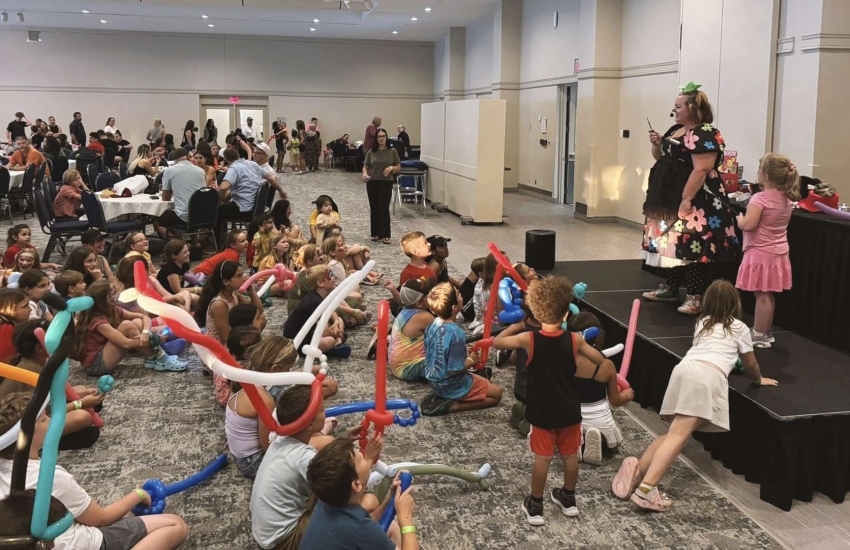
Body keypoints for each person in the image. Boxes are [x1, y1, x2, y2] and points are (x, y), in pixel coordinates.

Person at [613, 280, 778, 512]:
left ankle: (638, 471)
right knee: (678, 437)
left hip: (683, 371)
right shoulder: (739, 327)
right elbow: (750, 364)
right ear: (735, 303)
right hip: (706, 377)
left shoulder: (702, 322)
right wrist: (759, 379)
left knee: (673, 433)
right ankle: (646, 491)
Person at [0, 393, 189, 550]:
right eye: (44, 420)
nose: (51, 420)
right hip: (82, 544)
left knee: (127, 516)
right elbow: (100, 519)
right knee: (175, 525)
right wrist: (138, 494)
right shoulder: (51, 476)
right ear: (28, 435)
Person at [492, 276, 606, 525]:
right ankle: (569, 499)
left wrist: (519, 325)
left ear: (536, 312)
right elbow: (599, 360)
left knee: (542, 459)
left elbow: (497, 342)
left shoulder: (529, 339)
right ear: (567, 313)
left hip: (541, 412)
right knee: (570, 457)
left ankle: (535, 505)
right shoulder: (575, 340)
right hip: (569, 411)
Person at [640, 83, 739, 315]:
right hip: (668, 196)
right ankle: (670, 287)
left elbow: (702, 168)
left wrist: (686, 199)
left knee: (694, 245)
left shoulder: (705, 132)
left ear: (693, 108)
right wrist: (656, 144)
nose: (674, 110)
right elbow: (661, 157)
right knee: (672, 242)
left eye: (678, 106)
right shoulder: (676, 129)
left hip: (696, 198)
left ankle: (695, 295)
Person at [250, 385, 339, 550]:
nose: (325, 413)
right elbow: (340, 487)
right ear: (310, 424)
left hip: (264, 533)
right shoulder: (304, 457)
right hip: (282, 541)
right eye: (322, 410)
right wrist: (367, 458)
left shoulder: (278, 440)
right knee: (345, 512)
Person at [301, 435, 419, 550]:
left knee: (391, 527)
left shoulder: (327, 498)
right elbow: (361, 528)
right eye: (361, 458)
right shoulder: (358, 527)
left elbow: (363, 525)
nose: (363, 455)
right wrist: (405, 516)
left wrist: (391, 498)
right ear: (356, 485)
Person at [0, 319, 103, 446]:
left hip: (35, 414)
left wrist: (78, 395)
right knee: (82, 417)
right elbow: (43, 412)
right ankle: (41, 444)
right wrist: (79, 404)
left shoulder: (35, 362)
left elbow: (51, 394)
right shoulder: (31, 369)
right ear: (39, 348)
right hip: (17, 430)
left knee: (81, 390)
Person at [735, 153, 799, 348]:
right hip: (778, 252)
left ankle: (759, 334)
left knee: (761, 294)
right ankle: (764, 330)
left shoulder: (759, 199)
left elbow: (749, 225)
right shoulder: (786, 199)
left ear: (766, 176)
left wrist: (740, 219)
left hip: (760, 252)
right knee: (767, 294)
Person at [422, 282, 502, 416]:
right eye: (458, 294)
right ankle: (453, 406)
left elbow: (437, 350)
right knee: (497, 395)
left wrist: (463, 351)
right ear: (454, 308)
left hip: (435, 382)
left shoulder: (432, 324)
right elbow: (454, 370)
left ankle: (449, 397)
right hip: (451, 384)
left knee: (487, 382)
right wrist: (471, 360)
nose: (461, 294)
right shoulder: (456, 333)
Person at [76, 279, 187, 375]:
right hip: (97, 365)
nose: (116, 295)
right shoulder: (97, 321)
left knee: (137, 321)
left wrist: (145, 332)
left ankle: (154, 358)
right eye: (111, 294)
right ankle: (160, 357)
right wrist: (153, 340)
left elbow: (144, 317)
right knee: (127, 325)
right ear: (102, 300)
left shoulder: (113, 310)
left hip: (105, 353)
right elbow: (126, 343)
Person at [568, 312, 635, 465]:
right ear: (598, 336)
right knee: (612, 442)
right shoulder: (606, 366)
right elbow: (615, 401)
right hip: (599, 418)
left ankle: (577, 440)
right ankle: (599, 442)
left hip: (571, 417)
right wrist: (627, 395)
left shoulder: (564, 359)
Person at [215, 148, 286, 247]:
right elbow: (270, 177)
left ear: (226, 160)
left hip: (243, 209)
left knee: (217, 212)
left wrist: (218, 200)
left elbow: (223, 188)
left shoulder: (234, 168)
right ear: (238, 155)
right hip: (255, 207)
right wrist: (281, 190)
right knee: (225, 208)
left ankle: (219, 244)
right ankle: (227, 238)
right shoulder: (252, 164)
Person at [283, 265, 351, 358]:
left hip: (309, 333)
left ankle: (337, 344)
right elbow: (324, 332)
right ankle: (333, 346)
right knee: (329, 340)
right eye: (330, 275)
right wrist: (337, 332)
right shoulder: (314, 301)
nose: (334, 277)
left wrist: (336, 322)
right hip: (296, 342)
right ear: (320, 283)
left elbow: (332, 312)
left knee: (339, 319)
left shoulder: (321, 296)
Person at [155, 147, 207, 238]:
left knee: (156, 216)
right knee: (187, 210)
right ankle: (195, 242)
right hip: (203, 215)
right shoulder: (201, 171)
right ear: (188, 156)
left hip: (183, 216)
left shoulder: (169, 170)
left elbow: (165, 197)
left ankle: (179, 241)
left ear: (174, 160)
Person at [389, 278, 434, 381]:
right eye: (428, 294)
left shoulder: (404, 311)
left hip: (397, 365)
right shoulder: (424, 317)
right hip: (408, 368)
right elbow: (445, 336)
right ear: (419, 303)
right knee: (447, 361)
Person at [363, 128, 401, 244]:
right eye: (379, 136)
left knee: (383, 208)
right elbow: (366, 166)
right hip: (373, 182)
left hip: (386, 182)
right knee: (374, 207)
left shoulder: (392, 151)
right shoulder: (371, 152)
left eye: (383, 136)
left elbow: (399, 167)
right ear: (376, 138)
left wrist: (390, 168)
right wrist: (364, 174)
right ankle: (375, 233)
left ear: (386, 137)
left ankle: (386, 234)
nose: (381, 138)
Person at [157, 240, 200, 308]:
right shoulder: (171, 269)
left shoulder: (184, 264)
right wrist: (197, 289)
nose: (188, 253)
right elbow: (177, 290)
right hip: (169, 297)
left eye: (188, 251)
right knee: (195, 298)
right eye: (184, 252)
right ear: (174, 255)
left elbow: (192, 278)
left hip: (177, 293)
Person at [0, 289, 30, 361]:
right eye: (25, 306)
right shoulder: (6, 329)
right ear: (10, 308)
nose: (30, 309)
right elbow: (7, 359)